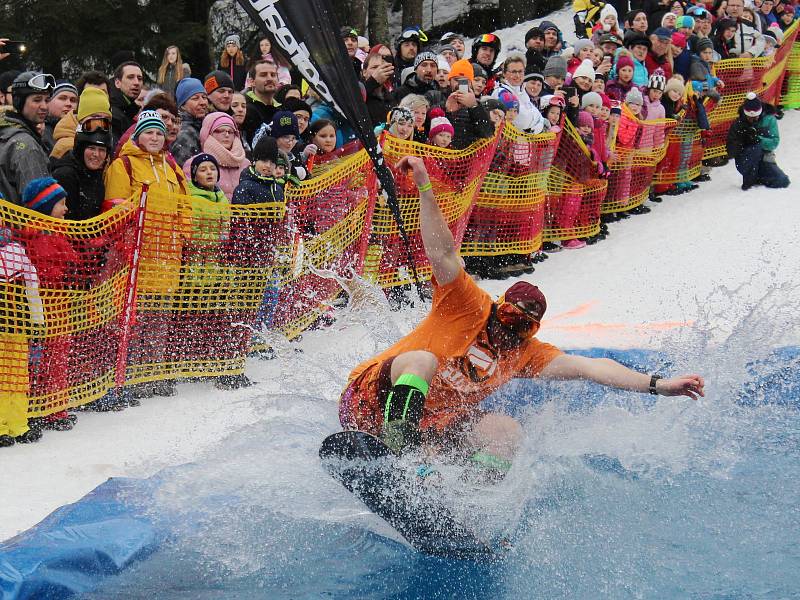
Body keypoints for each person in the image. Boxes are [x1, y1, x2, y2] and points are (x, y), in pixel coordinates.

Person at [338, 156, 705, 475]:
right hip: (370, 401)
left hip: (431, 424)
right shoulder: (467, 303)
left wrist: (659, 385)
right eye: (520, 306)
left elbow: (592, 367)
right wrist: (425, 187)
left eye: (533, 314)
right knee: (421, 359)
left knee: (505, 431)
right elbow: (441, 251)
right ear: (501, 304)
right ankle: (403, 455)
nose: (524, 316)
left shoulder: (528, 353)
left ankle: (471, 500)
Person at [0, 71, 53, 204]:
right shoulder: (26, 145)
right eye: (37, 100)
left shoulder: (6, 131)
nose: (44, 106)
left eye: (47, 100)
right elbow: (42, 204)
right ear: (19, 101)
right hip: (23, 223)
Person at [50, 112, 112, 220]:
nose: (96, 154)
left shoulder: (95, 173)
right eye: (91, 148)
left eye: (102, 150)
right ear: (80, 149)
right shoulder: (65, 175)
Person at [726, 92, 789, 190]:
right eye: (749, 118)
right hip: (746, 159)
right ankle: (751, 178)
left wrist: (758, 139)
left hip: (765, 158)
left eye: (755, 117)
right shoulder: (738, 124)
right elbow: (731, 151)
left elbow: (774, 142)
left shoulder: (769, 119)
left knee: (782, 181)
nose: (752, 120)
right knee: (754, 148)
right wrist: (744, 139)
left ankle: (759, 177)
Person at [185, 111, 249, 199]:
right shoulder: (194, 163)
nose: (226, 135)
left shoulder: (246, 164)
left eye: (230, 131)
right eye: (220, 130)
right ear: (208, 133)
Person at [171, 77, 209, 165]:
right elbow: (186, 171)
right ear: (182, 105)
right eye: (195, 98)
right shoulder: (184, 133)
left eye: (204, 97)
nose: (202, 102)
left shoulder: (202, 125)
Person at [242, 60, 279, 146]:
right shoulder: (244, 109)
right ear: (251, 82)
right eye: (263, 75)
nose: (270, 78)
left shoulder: (282, 110)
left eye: (273, 75)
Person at [109, 61, 143, 142]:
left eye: (140, 78)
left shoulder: (129, 110)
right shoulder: (112, 114)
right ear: (117, 83)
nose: (136, 83)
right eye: (130, 77)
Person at [43, 81, 78, 150]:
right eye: (62, 98)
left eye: (73, 100)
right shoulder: (40, 132)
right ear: (48, 102)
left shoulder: (82, 132)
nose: (69, 104)